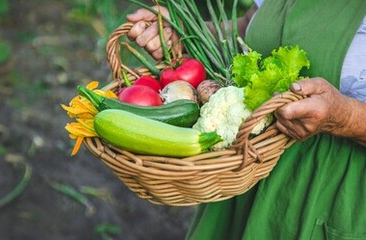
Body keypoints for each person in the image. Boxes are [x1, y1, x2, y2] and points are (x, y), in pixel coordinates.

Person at [124, 1, 366, 239]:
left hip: (328, 187)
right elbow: (249, 23)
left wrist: (345, 117)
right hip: (242, 164)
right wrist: (185, 30)